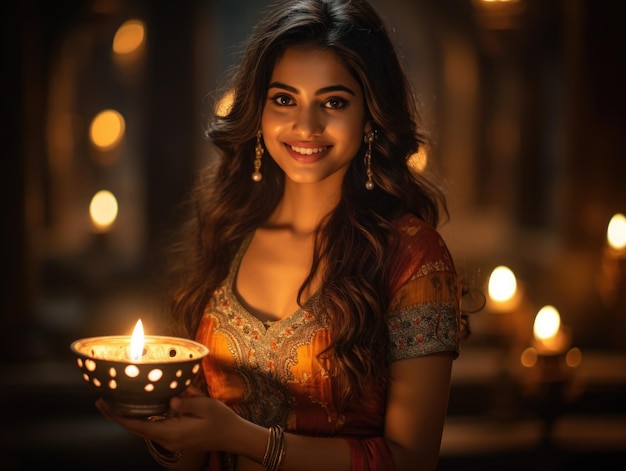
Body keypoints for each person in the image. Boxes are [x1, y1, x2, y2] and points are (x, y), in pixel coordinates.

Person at [96, 0, 468, 470]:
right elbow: (197, 455)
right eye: (284, 99)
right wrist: (170, 425)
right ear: (258, 110)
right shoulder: (229, 230)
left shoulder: (413, 256)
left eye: (333, 102)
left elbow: (412, 461)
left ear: (370, 114)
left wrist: (243, 437)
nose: (305, 126)